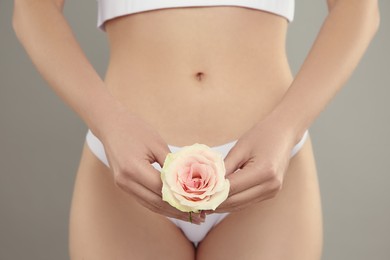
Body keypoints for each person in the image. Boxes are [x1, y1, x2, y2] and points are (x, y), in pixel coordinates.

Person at [12, 0, 379, 259]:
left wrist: (287, 127)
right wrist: (107, 121)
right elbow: (32, 7)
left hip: (264, 161)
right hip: (128, 161)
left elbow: (357, 6)